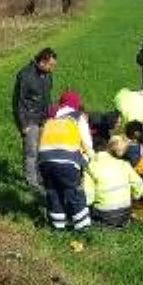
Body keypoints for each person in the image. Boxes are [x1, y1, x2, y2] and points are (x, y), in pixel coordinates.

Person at [37, 91, 91, 232]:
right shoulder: (77, 118)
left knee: (53, 192)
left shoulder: (51, 120)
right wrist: (88, 161)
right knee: (74, 193)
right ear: (76, 105)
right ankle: (83, 228)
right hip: (66, 162)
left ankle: (57, 227)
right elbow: (87, 144)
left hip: (44, 162)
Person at [12, 47, 56, 190]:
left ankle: (40, 177)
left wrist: (49, 116)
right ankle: (31, 183)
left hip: (43, 119)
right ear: (42, 61)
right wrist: (23, 124)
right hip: (29, 120)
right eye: (51, 65)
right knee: (31, 151)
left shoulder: (47, 75)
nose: (52, 68)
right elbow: (18, 102)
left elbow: (48, 97)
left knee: (42, 150)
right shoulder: (25, 75)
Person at [83, 135, 143, 229]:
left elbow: (88, 199)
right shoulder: (124, 164)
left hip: (104, 215)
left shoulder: (90, 167)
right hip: (125, 215)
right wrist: (132, 196)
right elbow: (142, 189)